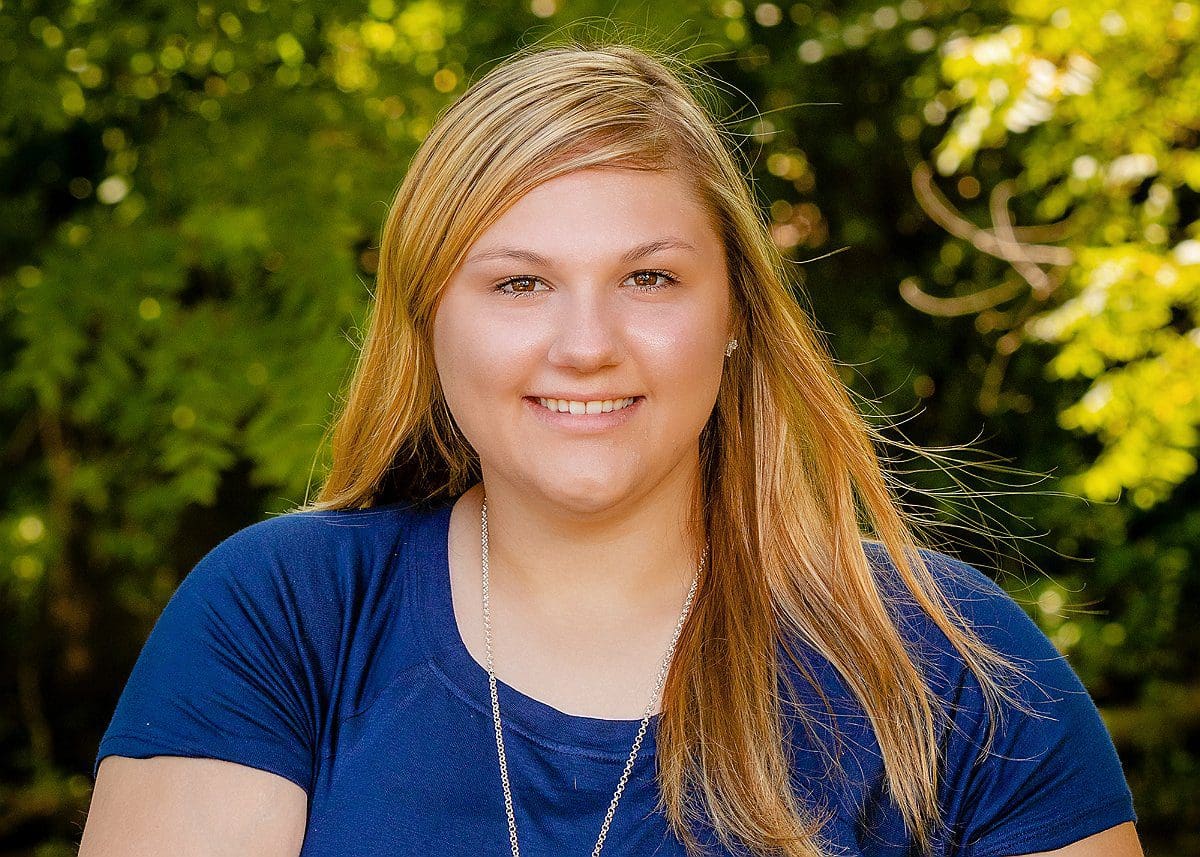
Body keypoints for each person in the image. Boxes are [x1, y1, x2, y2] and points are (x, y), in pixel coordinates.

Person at [79, 41, 1142, 857]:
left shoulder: (944, 661)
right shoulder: (282, 615)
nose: (586, 346)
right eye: (519, 282)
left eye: (649, 278)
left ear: (733, 313)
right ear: (428, 317)